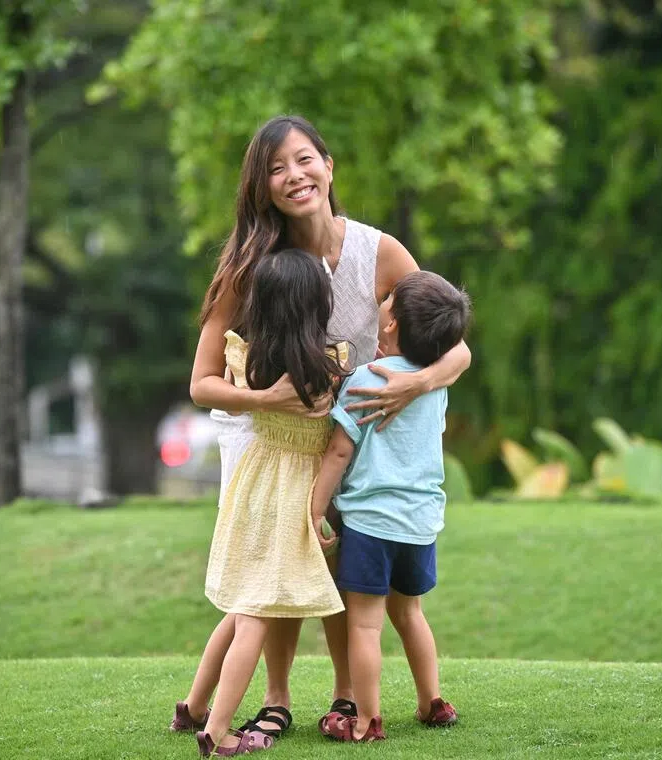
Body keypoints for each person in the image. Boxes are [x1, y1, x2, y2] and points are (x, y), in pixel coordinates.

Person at [173, 114, 472, 739]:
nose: (294, 175)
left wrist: (416, 383)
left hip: (351, 421)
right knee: (279, 561)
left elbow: (454, 346)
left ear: (328, 166)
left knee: (340, 558)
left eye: (304, 159)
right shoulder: (252, 265)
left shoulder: (381, 252)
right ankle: (275, 698)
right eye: (276, 168)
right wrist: (268, 400)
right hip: (266, 431)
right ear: (261, 187)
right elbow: (202, 384)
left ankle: (344, 697)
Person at [185, 247, 351, 758]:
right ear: (318, 304)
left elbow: (212, 387)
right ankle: (216, 731)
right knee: (255, 615)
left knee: (244, 607)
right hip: (297, 493)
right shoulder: (330, 366)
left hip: (253, 486)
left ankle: (195, 707)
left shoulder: (247, 359)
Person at [311, 270, 471, 742]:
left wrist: (315, 509)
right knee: (411, 614)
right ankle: (432, 702)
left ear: (392, 323)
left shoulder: (366, 378)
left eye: (386, 302)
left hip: (370, 524)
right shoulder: (433, 385)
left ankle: (366, 720)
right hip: (420, 524)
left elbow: (338, 452)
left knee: (364, 624)